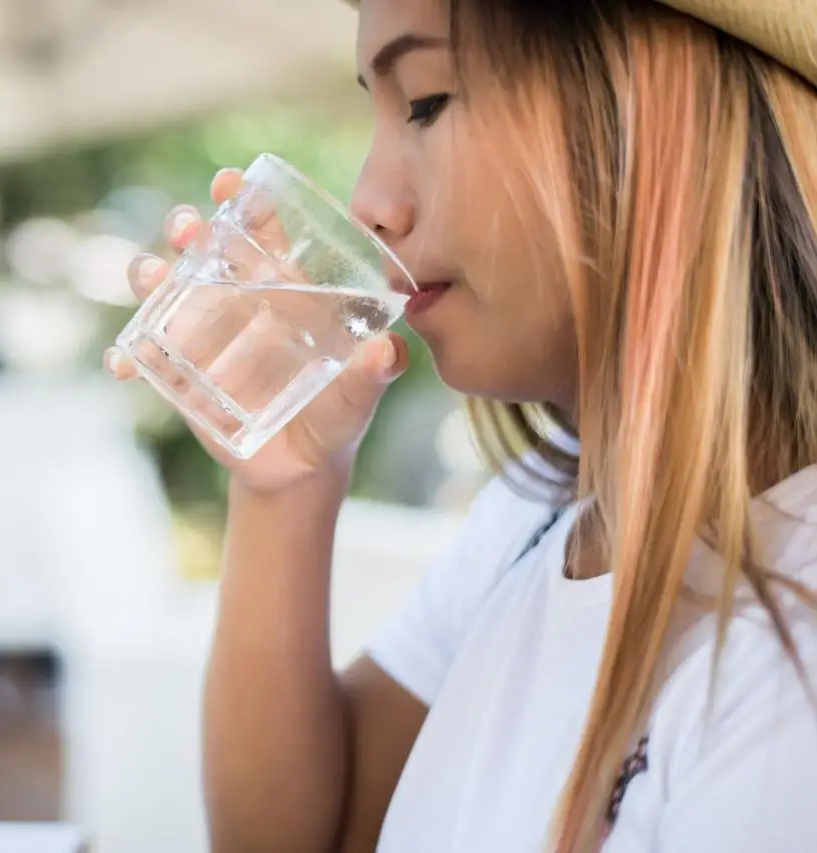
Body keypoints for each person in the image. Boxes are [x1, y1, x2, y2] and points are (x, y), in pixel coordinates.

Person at [103, 0, 817, 850]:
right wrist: (285, 484)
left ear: (658, 116)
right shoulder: (544, 515)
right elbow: (297, 834)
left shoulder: (789, 664)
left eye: (428, 101)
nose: (368, 202)